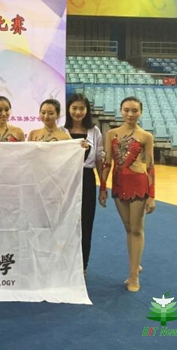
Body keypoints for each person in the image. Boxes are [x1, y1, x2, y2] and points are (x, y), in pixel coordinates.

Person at [100, 96, 155, 292]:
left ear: (140, 112)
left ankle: (133, 276)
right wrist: (103, 187)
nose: (130, 114)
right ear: (121, 111)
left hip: (139, 185)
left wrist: (151, 195)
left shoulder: (146, 136)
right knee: (128, 227)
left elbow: (150, 166)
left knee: (136, 229)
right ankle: (135, 263)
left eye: (134, 110)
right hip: (118, 185)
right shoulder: (112, 134)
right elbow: (107, 162)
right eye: (126, 110)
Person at [64, 93, 105, 276]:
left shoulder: (94, 132)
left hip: (87, 178)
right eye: (74, 108)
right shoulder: (61, 130)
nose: (78, 112)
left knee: (86, 223)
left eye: (81, 108)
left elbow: (99, 159)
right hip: (65, 180)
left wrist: (103, 186)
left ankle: (82, 265)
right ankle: (64, 263)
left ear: (87, 110)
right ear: (68, 109)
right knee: (65, 222)